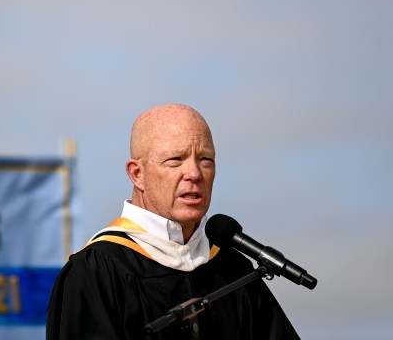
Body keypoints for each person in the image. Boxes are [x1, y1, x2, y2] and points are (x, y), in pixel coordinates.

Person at [46, 103, 300, 340]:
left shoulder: (233, 269)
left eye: (205, 160)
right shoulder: (97, 270)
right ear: (137, 174)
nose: (194, 173)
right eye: (175, 160)